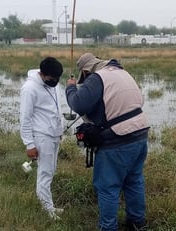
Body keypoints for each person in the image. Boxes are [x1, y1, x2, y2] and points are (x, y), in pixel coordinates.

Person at [65, 53, 150, 231]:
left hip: (117, 141)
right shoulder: (123, 73)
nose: (84, 81)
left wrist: (71, 88)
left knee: (108, 187)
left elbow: (78, 105)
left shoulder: (97, 77)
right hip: (140, 134)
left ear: (86, 71)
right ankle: (137, 223)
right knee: (134, 181)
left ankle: (108, 227)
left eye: (83, 78)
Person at [19, 57, 64, 220]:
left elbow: (55, 109)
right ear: (43, 74)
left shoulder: (54, 85)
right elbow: (25, 118)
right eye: (52, 79)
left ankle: (49, 205)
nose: (56, 82)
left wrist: (60, 130)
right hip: (41, 137)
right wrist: (29, 144)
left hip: (54, 135)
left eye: (58, 78)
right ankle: (47, 210)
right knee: (45, 173)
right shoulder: (30, 88)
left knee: (51, 171)